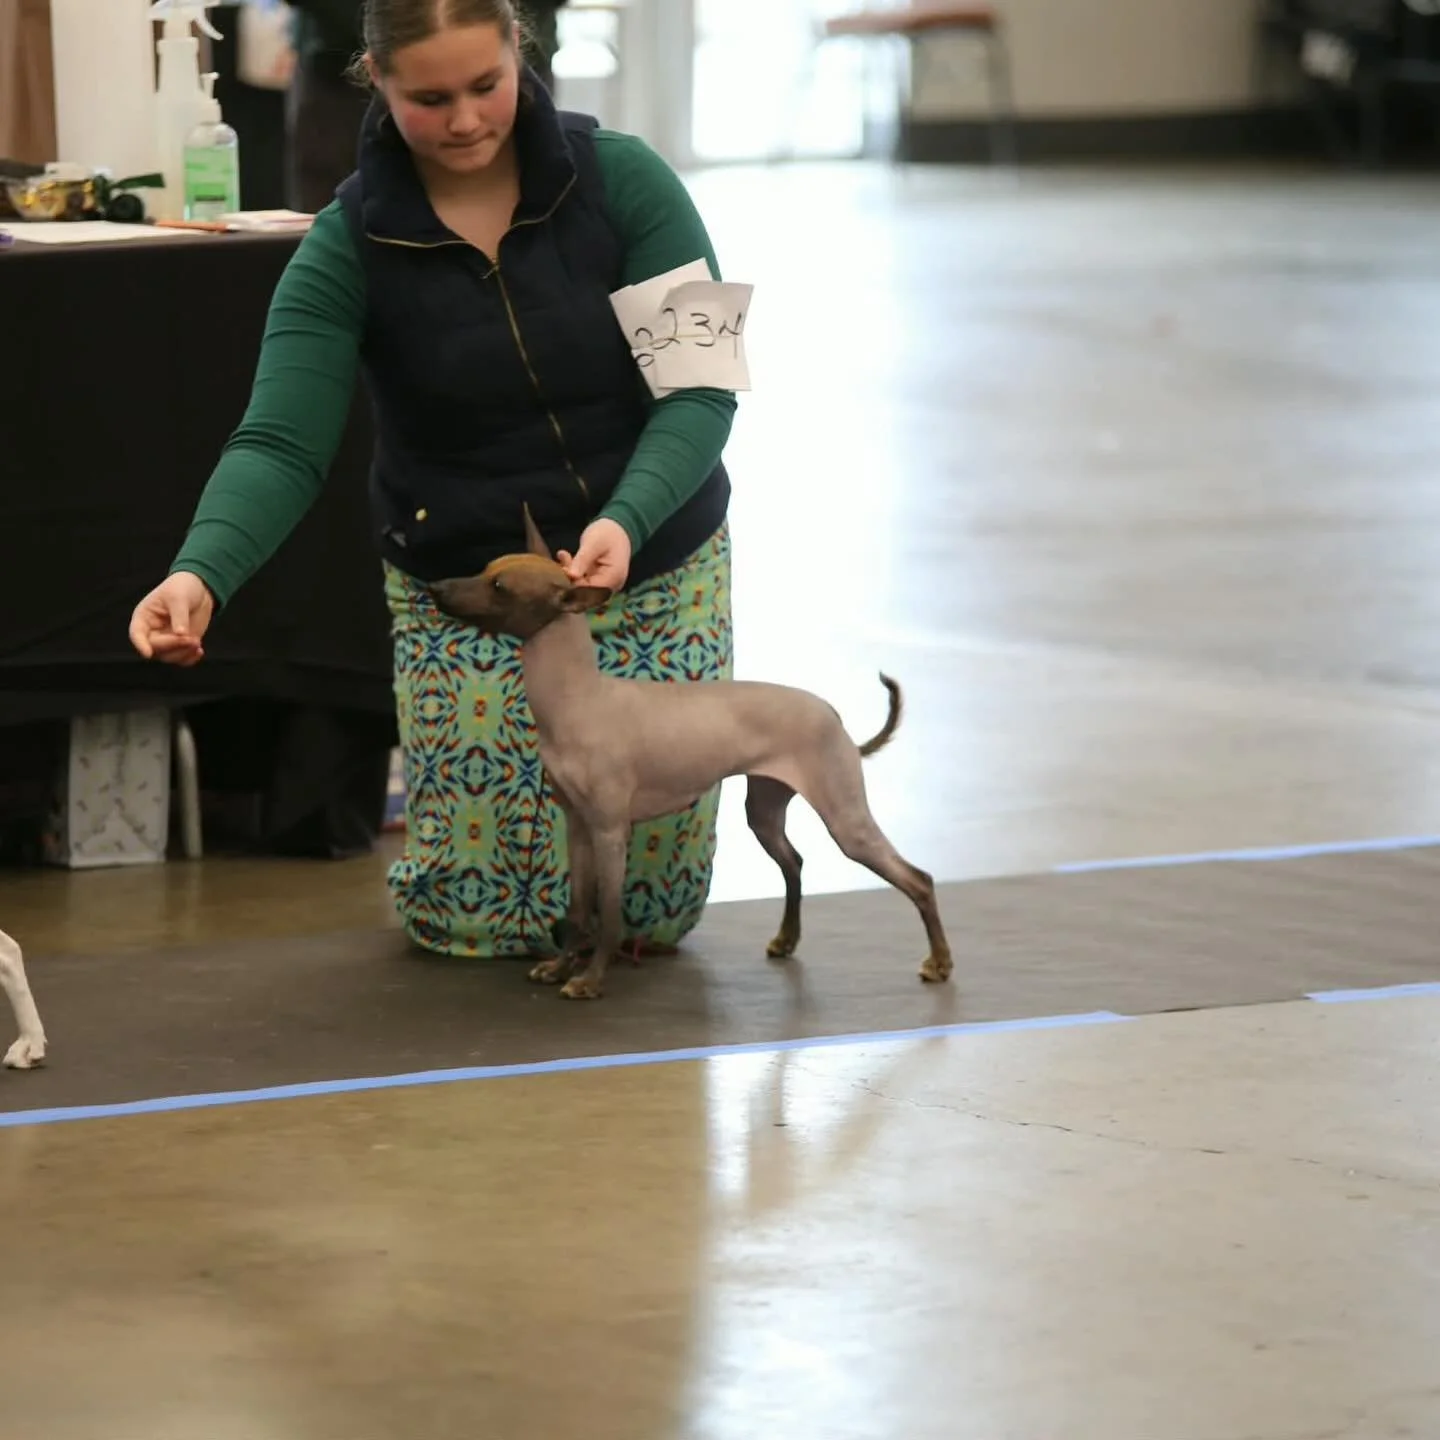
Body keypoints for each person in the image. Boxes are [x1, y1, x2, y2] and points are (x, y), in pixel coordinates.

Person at [128, 0, 738, 961]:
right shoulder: (347, 242)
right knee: (474, 924)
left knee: (643, 920)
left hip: (653, 562)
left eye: (485, 86)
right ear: (376, 81)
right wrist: (199, 572)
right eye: (430, 98)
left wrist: (628, 516)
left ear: (520, 53)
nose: (463, 120)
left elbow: (701, 392)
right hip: (470, 595)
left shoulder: (629, 179)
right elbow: (281, 443)